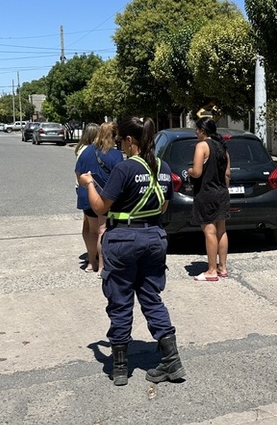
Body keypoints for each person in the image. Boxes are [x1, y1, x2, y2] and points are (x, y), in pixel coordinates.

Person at [79, 116, 185, 387]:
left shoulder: (125, 168)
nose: (119, 146)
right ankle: (171, 359)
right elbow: (162, 206)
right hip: (154, 237)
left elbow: (100, 208)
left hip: (123, 240)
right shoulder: (163, 167)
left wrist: (88, 184)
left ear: (129, 140)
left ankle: (120, 367)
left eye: (120, 142)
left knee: (120, 300)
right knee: (151, 297)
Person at [75, 121, 124, 276]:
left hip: (86, 194)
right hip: (104, 197)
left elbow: (79, 174)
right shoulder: (116, 154)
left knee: (91, 230)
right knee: (102, 230)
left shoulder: (86, 151)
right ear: (113, 136)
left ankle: (91, 263)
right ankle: (102, 266)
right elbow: (120, 177)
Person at [187, 117, 231, 282]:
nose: (196, 133)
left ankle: (211, 271)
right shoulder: (222, 147)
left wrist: (189, 171)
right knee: (222, 230)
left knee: (209, 231)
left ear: (202, 130)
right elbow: (227, 174)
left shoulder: (202, 146)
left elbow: (197, 172)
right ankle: (222, 268)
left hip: (206, 193)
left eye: (197, 129)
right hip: (222, 192)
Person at [74, 123, 99, 273]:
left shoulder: (80, 149)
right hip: (89, 187)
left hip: (81, 187)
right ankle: (94, 259)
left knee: (87, 225)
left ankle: (91, 257)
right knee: (95, 229)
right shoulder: (89, 150)